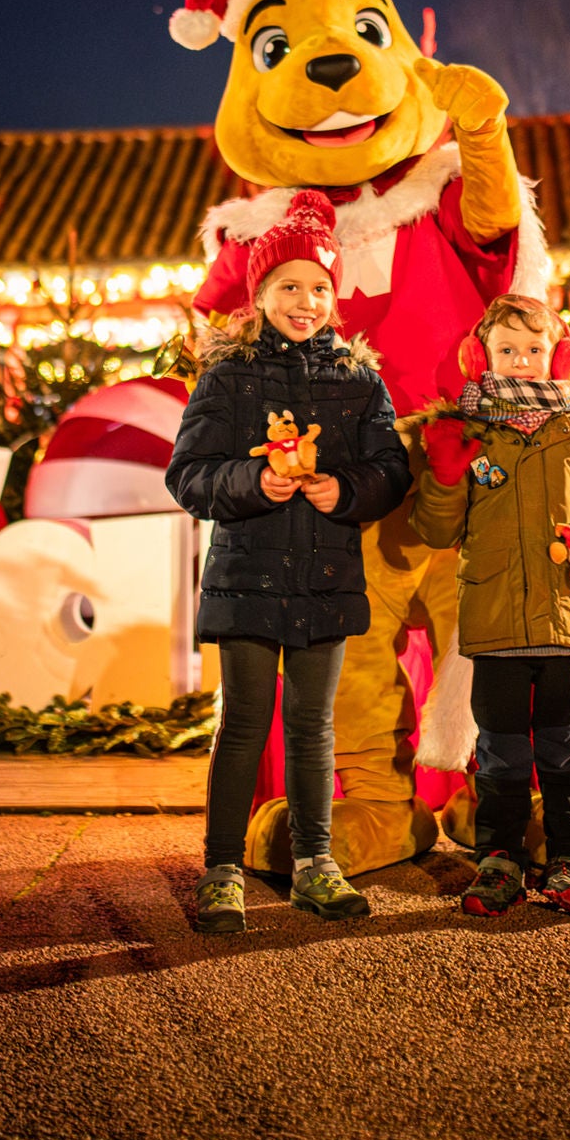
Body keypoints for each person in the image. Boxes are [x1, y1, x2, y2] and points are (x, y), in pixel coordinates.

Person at [166, 190, 411, 935]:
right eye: (289, 286)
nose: (305, 301)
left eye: (319, 287)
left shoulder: (359, 380)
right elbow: (188, 474)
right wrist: (250, 481)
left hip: (324, 576)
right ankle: (221, 868)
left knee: (313, 725)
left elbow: (391, 470)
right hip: (245, 573)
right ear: (260, 293)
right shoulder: (227, 376)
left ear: (336, 298)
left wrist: (348, 489)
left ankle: (314, 862)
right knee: (243, 723)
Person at [410, 293, 570, 918]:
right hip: (494, 624)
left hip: (565, 620)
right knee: (502, 751)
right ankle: (499, 860)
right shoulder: (468, 431)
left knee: (563, 749)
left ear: (559, 357)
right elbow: (436, 531)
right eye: (506, 350)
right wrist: (444, 476)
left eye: (533, 350)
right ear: (479, 356)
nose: (520, 361)